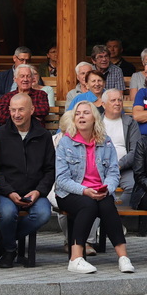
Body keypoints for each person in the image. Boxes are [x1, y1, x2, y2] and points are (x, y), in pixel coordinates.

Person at [56, 101, 135, 274]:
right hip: (70, 193)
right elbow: (62, 179)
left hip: (99, 191)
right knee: (88, 204)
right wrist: (84, 190)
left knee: (107, 203)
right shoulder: (66, 143)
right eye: (78, 113)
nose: (81, 116)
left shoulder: (105, 142)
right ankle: (75, 259)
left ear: (94, 118)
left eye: (86, 113)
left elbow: (114, 172)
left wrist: (107, 188)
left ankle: (123, 257)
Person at [0, 93, 54, 269]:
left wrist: (38, 191)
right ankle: (10, 250)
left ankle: (4, 241)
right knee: (8, 214)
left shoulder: (44, 136)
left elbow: (50, 170)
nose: (16, 114)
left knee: (43, 214)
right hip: (5, 192)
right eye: (13, 110)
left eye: (21, 110)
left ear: (32, 110)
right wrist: (9, 192)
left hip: (34, 192)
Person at [97, 88, 141, 197]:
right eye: (113, 100)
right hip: (100, 169)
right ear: (103, 104)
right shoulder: (96, 124)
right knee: (95, 186)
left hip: (125, 168)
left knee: (133, 185)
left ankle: (123, 214)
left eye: (120, 100)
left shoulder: (131, 123)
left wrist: (119, 165)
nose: (117, 103)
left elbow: (135, 150)